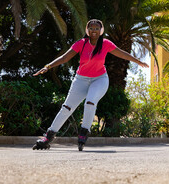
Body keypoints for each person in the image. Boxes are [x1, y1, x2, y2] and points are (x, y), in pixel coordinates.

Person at [32, 19, 149, 151]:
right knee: (66, 108)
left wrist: (138, 61)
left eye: (97, 28)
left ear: (101, 31)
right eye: (91, 28)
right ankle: (48, 137)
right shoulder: (81, 44)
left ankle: (83, 133)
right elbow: (65, 57)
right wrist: (48, 66)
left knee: (90, 102)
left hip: (99, 80)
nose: (94, 31)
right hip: (81, 80)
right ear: (87, 31)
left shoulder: (106, 44)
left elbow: (122, 53)